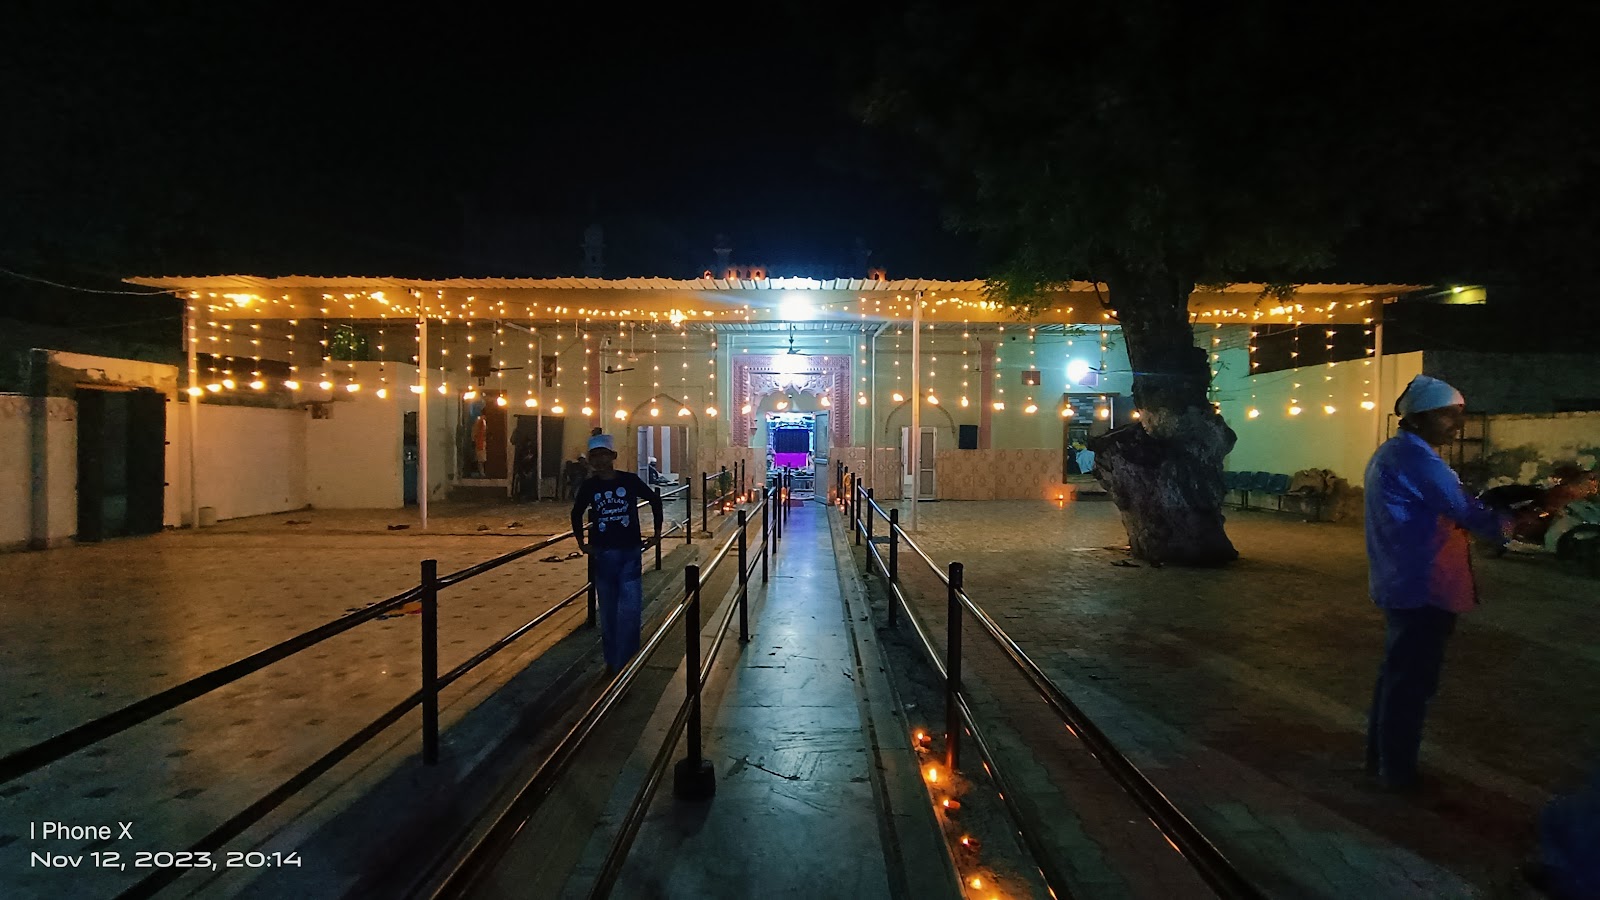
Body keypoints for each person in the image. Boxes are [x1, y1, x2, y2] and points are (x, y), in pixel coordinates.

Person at [1364, 374, 1515, 791]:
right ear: (1420, 418)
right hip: (1421, 586)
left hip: (1406, 581)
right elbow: (1467, 511)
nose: (1458, 425)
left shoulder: (1397, 454)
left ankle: (1381, 760)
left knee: (1397, 676)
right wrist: (1512, 525)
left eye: (1459, 416)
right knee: (1410, 683)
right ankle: (1396, 772)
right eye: (1449, 416)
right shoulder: (1416, 460)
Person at [572, 434, 662, 674]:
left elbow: (654, 500)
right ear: (590, 460)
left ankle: (627, 660)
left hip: (629, 552)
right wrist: (581, 542)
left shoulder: (629, 481)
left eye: (604, 455)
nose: (600, 460)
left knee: (630, 610)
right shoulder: (590, 486)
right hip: (603, 554)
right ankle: (613, 661)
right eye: (595, 456)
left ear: (613, 456)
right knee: (609, 611)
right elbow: (576, 512)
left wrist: (657, 533)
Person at [471, 411, 489, 477]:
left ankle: (482, 472)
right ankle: (481, 472)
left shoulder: (482, 422)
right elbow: (475, 432)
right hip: (479, 443)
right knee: (480, 459)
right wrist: (474, 440)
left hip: (481, 443)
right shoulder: (479, 422)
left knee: (481, 458)